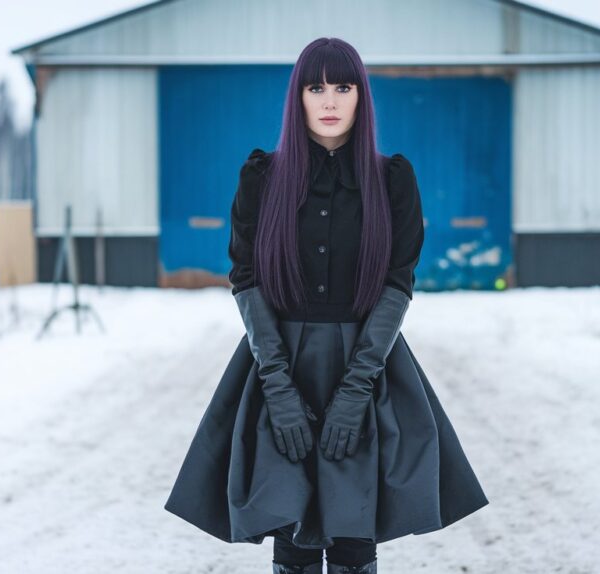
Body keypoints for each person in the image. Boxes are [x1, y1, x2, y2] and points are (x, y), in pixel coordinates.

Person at [164, 37, 489, 574]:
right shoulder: (262, 178)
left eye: (343, 86)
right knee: (292, 530)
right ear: (299, 97)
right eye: (316, 87)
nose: (330, 100)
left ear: (361, 96)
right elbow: (246, 278)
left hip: (367, 363)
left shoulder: (393, 181)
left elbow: (396, 283)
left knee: (354, 531)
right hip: (280, 365)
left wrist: (358, 386)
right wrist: (277, 384)